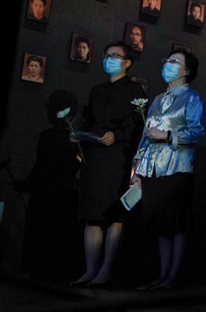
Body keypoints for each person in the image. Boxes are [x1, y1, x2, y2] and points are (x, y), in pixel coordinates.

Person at [69, 42, 146, 287]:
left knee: (115, 215)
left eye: (115, 56)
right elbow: (88, 119)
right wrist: (79, 136)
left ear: (127, 62)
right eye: (106, 56)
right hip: (95, 155)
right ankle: (90, 270)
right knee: (92, 214)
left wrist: (118, 136)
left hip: (118, 158)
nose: (109, 59)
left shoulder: (135, 90)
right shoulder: (96, 90)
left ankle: (106, 270)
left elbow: (138, 127)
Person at [132, 51, 204, 290]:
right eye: (167, 61)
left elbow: (196, 132)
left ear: (186, 71)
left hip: (178, 168)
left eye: (174, 62)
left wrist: (168, 135)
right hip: (154, 169)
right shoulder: (157, 100)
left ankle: (173, 277)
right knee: (161, 224)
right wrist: (137, 169)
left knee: (177, 223)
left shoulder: (192, 98)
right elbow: (145, 135)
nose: (168, 65)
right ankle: (162, 276)